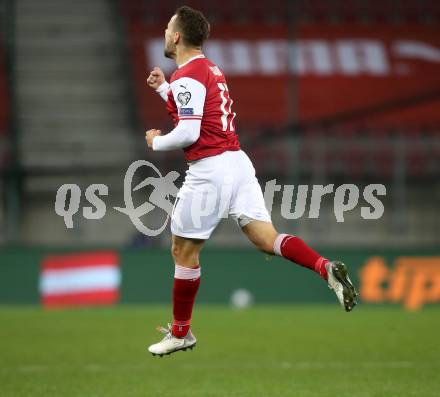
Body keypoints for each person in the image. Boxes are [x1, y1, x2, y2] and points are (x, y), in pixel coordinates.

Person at [145, 6, 358, 357]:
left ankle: (181, 333)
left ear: (177, 36)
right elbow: (197, 112)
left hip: (209, 171)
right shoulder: (208, 69)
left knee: (183, 251)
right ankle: (324, 267)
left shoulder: (188, 75)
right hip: (238, 165)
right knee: (265, 238)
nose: (165, 32)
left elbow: (188, 131)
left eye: (169, 27)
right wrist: (164, 88)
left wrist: (156, 142)